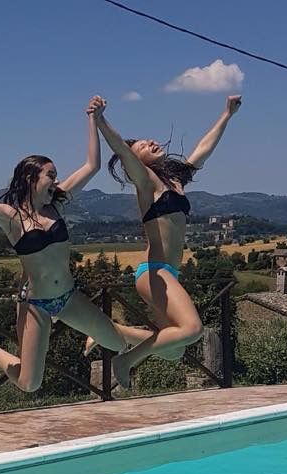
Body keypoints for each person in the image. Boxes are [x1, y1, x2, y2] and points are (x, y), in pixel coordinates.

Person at [0, 99, 152, 392]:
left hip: (69, 298)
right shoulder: (10, 218)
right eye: (50, 175)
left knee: (115, 342)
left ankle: (98, 332)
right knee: (29, 383)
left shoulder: (58, 201)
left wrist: (93, 119)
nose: (56, 180)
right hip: (35, 304)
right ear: (31, 178)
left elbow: (92, 165)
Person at [87, 94, 243, 386]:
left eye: (148, 140)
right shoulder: (146, 183)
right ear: (138, 161)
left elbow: (203, 150)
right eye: (142, 146)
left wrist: (226, 115)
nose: (150, 142)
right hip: (153, 271)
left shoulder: (176, 181)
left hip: (169, 273)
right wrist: (100, 120)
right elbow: (121, 149)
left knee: (175, 350)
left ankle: (114, 331)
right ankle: (125, 359)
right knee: (192, 328)